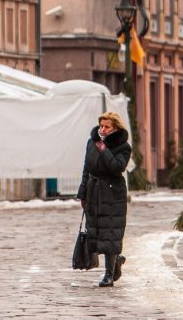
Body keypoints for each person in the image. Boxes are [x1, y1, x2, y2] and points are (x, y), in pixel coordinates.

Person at [77, 111, 132, 286]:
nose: (102, 129)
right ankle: (116, 261)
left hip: (112, 194)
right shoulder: (91, 142)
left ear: (115, 128)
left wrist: (103, 148)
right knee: (96, 233)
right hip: (94, 192)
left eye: (106, 126)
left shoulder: (123, 147)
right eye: (101, 126)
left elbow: (117, 167)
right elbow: (87, 168)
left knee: (110, 233)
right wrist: (83, 193)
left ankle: (108, 275)